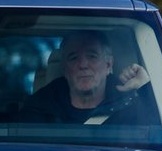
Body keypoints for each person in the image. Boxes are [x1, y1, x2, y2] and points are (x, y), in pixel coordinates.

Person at [21, 30, 154, 125]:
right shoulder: (39, 109)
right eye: (73, 58)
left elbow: (155, 146)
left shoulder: (129, 104)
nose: (83, 65)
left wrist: (144, 88)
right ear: (65, 69)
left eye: (92, 56)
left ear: (108, 64)